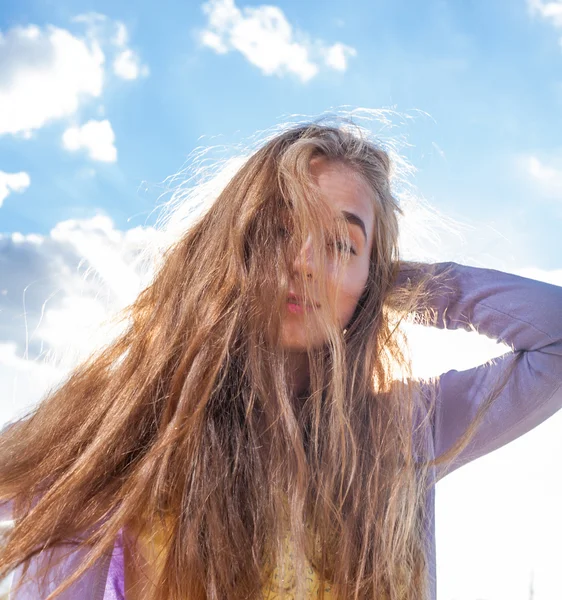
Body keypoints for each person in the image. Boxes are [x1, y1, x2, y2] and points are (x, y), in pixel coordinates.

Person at [0, 122, 561, 600]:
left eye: (340, 243)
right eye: (278, 230)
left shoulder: (407, 430)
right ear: (231, 245)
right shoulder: (122, 433)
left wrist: (394, 284)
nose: (303, 263)